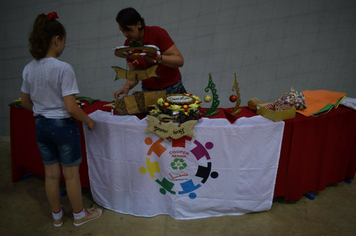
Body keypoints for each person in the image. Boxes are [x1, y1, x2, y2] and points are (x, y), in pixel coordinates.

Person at [20, 12, 102, 227]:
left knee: (51, 175)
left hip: (41, 125)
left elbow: (25, 102)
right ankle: (79, 215)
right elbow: (71, 107)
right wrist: (88, 121)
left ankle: (57, 217)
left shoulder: (29, 68)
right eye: (64, 41)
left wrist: (43, 109)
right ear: (57, 39)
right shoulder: (63, 68)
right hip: (63, 127)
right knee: (71, 176)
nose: (64, 45)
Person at [113, 7, 187, 99]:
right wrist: (126, 87)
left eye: (128, 30)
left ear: (139, 24)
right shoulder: (128, 45)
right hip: (149, 93)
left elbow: (179, 61)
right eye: (122, 31)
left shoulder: (157, 33)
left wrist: (158, 58)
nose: (125, 35)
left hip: (173, 89)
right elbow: (134, 73)